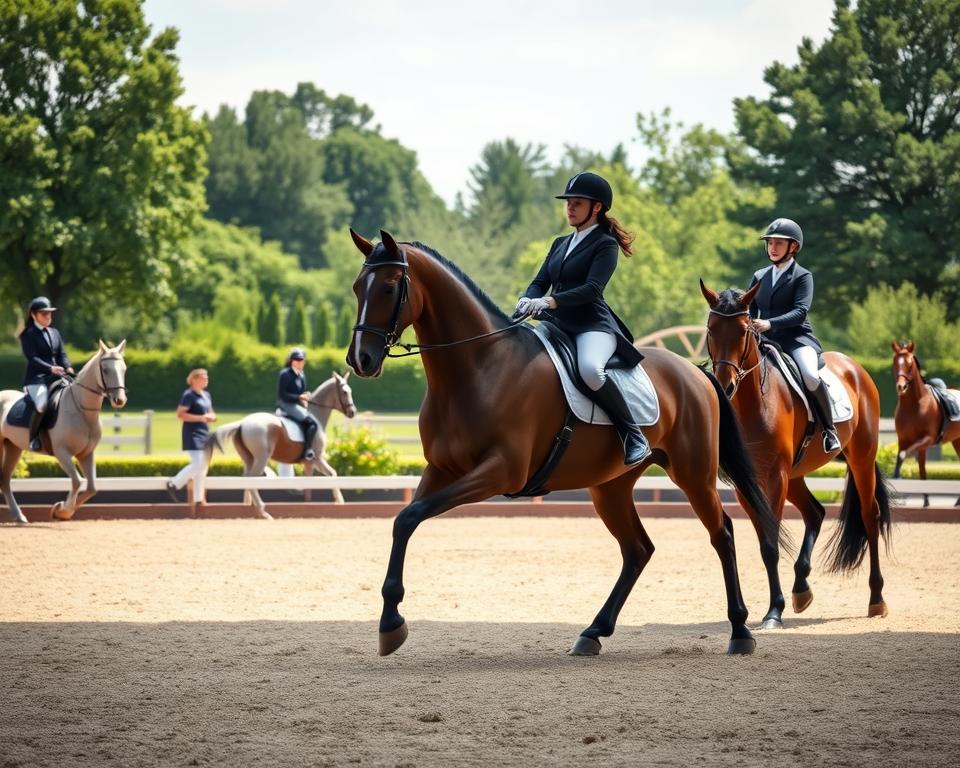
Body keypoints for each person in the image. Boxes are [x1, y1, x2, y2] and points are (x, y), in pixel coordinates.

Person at [515, 171, 649, 466]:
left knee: (590, 369)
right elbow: (540, 280)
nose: (570, 208)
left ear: (596, 207)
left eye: (577, 203)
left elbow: (592, 289)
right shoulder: (560, 243)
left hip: (591, 324)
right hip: (556, 323)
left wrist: (549, 301)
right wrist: (528, 297)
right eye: (568, 203)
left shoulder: (605, 244)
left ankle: (633, 434)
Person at [747, 217, 841, 453]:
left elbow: (800, 312)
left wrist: (769, 323)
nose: (773, 247)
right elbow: (749, 311)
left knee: (810, 375)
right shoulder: (759, 276)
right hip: (764, 341)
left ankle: (829, 430)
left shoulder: (802, 276)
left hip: (796, 340)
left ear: (793, 247)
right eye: (770, 243)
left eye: (779, 243)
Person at [19, 296, 75, 452]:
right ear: (33, 315)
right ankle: (33, 438)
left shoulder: (54, 332)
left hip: (56, 376)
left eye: (50, 313)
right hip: (36, 380)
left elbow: (62, 355)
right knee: (42, 405)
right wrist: (51, 368)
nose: (48, 316)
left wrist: (68, 367)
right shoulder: (28, 334)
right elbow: (33, 358)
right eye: (44, 314)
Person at [166, 369, 216, 502]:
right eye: (203, 378)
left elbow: (210, 412)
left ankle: (198, 499)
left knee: (203, 467)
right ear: (194, 379)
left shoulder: (206, 395)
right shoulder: (188, 395)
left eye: (207, 378)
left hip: (205, 433)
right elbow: (180, 414)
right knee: (198, 463)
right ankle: (174, 483)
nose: (206, 380)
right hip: (192, 433)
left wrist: (211, 417)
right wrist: (201, 418)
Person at [277, 348, 319, 461]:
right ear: (292, 361)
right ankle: (308, 450)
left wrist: (305, 396)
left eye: (302, 360)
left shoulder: (301, 375)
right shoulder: (285, 374)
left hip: (297, 405)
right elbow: (282, 394)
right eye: (297, 360)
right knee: (312, 423)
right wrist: (299, 397)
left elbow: (300, 392)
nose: (300, 362)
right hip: (286, 404)